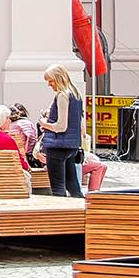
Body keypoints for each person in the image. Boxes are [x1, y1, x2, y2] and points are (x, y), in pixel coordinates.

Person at [35, 62, 86, 199]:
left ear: (58, 78)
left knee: (58, 188)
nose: (49, 84)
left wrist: (44, 124)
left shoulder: (62, 95)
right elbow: (79, 124)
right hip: (72, 145)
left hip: (57, 146)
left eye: (51, 81)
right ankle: (81, 213)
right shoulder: (76, 93)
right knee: (73, 186)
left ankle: (60, 216)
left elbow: (61, 126)